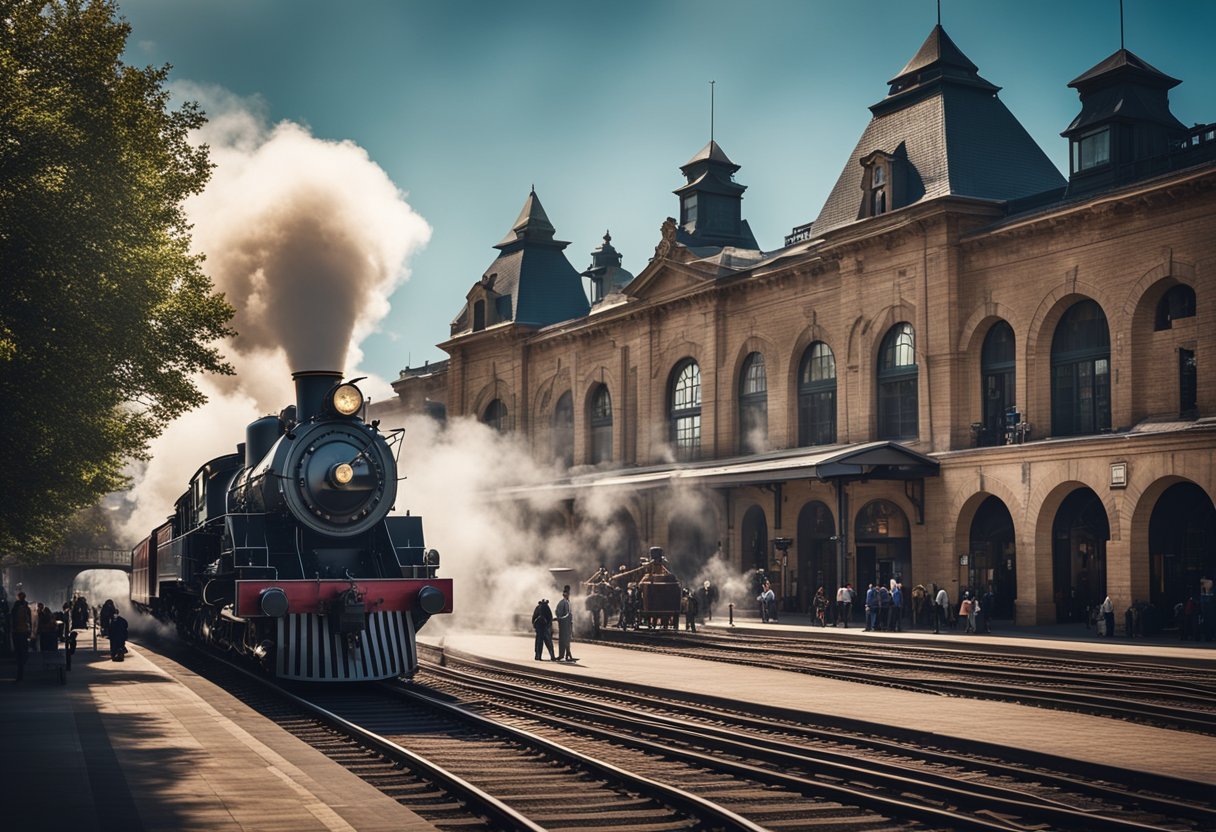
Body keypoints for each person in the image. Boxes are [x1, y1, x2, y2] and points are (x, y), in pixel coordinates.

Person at [10, 591, 32, 682]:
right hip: (24, 631)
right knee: (23, 651)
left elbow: (12, 618)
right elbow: (29, 620)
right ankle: (22, 666)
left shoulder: (16, 607)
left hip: (17, 632)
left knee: (18, 652)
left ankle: (20, 672)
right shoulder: (26, 607)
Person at [555, 585, 576, 662]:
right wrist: (561, 619)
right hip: (564, 624)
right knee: (563, 639)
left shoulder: (567, 602)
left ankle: (567, 654)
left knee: (567, 639)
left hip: (567, 624)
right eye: (567, 593)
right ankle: (562, 655)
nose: (568, 594)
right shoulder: (562, 602)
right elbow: (558, 613)